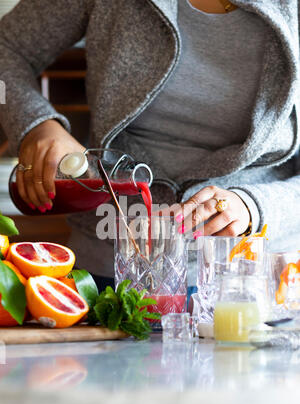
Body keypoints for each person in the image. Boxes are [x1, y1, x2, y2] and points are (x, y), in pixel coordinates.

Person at [0, 0, 299, 289]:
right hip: (105, 275)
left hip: (254, 286)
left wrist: (254, 207)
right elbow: (6, 49)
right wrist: (36, 125)